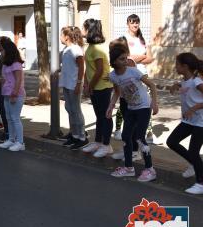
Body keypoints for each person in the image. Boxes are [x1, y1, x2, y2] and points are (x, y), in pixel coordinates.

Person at [106, 44, 159, 182]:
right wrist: (111, 107)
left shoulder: (134, 72)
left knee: (140, 138)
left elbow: (152, 85)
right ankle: (129, 168)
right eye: (122, 59)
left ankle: (150, 169)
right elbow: (117, 92)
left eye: (126, 58)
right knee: (125, 136)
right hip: (130, 108)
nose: (126, 61)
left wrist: (154, 103)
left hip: (143, 107)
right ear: (115, 61)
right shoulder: (112, 76)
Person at [113, 14, 159, 144]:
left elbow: (150, 58)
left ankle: (146, 134)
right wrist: (140, 57)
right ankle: (121, 132)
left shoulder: (143, 39)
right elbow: (126, 58)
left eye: (137, 22)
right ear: (128, 23)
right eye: (132, 22)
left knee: (145, 105)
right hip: (128, 77)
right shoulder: (123, 39)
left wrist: (135, 57)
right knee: (127, 106)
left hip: (142, 75)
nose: (135, 25)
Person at [167, 53, 203, 195]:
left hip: (200, 122)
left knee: (194, 151)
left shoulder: (197, 82)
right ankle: (196, 165)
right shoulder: (186, 81)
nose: (175, 67)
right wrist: (175, 85)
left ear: (185, 66)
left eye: (177, 64)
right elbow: (185, 86)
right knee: (172, 141)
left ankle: (201, 182)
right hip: (189, 121)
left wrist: (193, 108)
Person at [80, 19, 114, 158]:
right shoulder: (91, 47)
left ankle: (107, 145)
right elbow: (89, 68)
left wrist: (90, 86)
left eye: (84, 28)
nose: (82, 30)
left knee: (105, 116)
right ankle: (98, 142)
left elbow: (99, 71)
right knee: (99, 116)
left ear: (89, 30)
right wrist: (86, 84)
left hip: (103, 87)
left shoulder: (98, 48)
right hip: (95, 87)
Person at [58, 27, 88, 149]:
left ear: (67, 36)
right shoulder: (66, 49)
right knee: (69, 108)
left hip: (73, 84)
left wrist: (79, 83)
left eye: (61, 35)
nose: (60, 37)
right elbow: (69, 66)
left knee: (76, 110)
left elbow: (81, 67)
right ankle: (74, 135)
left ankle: (82, 137)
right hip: (66, 84)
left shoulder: (75, 49)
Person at [0, 39, 26, 152]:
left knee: (15, 118)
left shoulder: (16, 64)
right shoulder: (6, 64)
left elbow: (19, 79)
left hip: (16, 94)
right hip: (6, 93)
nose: (1, 53)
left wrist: (14, 92)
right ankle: (11, 139)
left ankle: (20, 142)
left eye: (3, 50)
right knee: (9, 117)